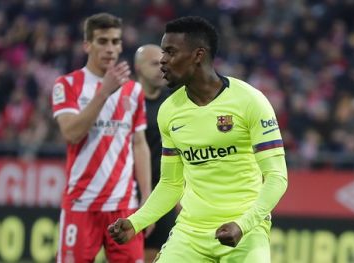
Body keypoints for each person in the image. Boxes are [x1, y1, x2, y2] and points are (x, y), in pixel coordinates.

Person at [108, 16, 288, 262]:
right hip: (190, 234)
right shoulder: (169, 111)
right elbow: (171, 184)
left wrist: (243, 225)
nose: (162, 60)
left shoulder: (250, 101)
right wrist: (135, 222)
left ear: (198, 55)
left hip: (246, 231)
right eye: (163, 53)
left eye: (170, 52)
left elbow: (277, 178)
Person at [51, 13, 151, 263]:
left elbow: (139, 144)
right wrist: (104, 92)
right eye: (103, 41)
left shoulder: (134, 90)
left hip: (124, 205)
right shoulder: (68, 85)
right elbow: (72, 133)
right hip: (82, 203)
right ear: (87, 45)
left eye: (115, 42)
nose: (110, 48)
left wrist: (147, 201)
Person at [134, 44, 178, 262]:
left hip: (165, 192)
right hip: (129, 192)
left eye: (163, 63)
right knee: (126, 254)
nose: (161, 68)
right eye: (154, 63)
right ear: (138, 67)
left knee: (156, 255)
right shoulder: (127, 100)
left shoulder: (174, 101)